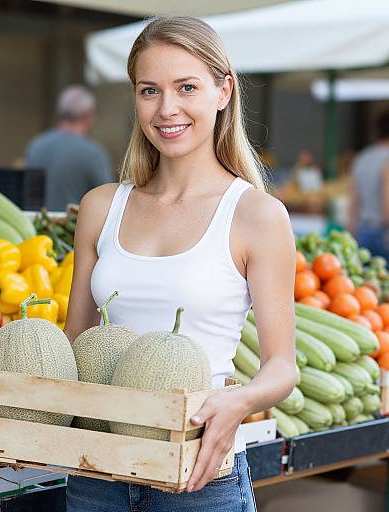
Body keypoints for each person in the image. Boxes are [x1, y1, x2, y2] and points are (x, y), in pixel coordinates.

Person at [64, 16, 296, 512]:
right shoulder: (102, 207)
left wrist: (238, 401)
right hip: (95, 471)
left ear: (223, 91)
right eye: (149, 91)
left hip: (199, 478)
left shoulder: (256, 215)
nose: (167, 109)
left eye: (186, 87)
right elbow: (72, 347)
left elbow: (281, 367)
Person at [25, 84, 114, 211]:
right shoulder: (93, 153)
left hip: (38, 226)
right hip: (72, 228)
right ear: (88, 115)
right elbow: (108, 199)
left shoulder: (36, 145)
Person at [349, 111, 389, 259]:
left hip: (363, 231)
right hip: (384, 234)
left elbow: (353, 200)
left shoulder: (363, 157)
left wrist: (351, 231)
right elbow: (387, 203)